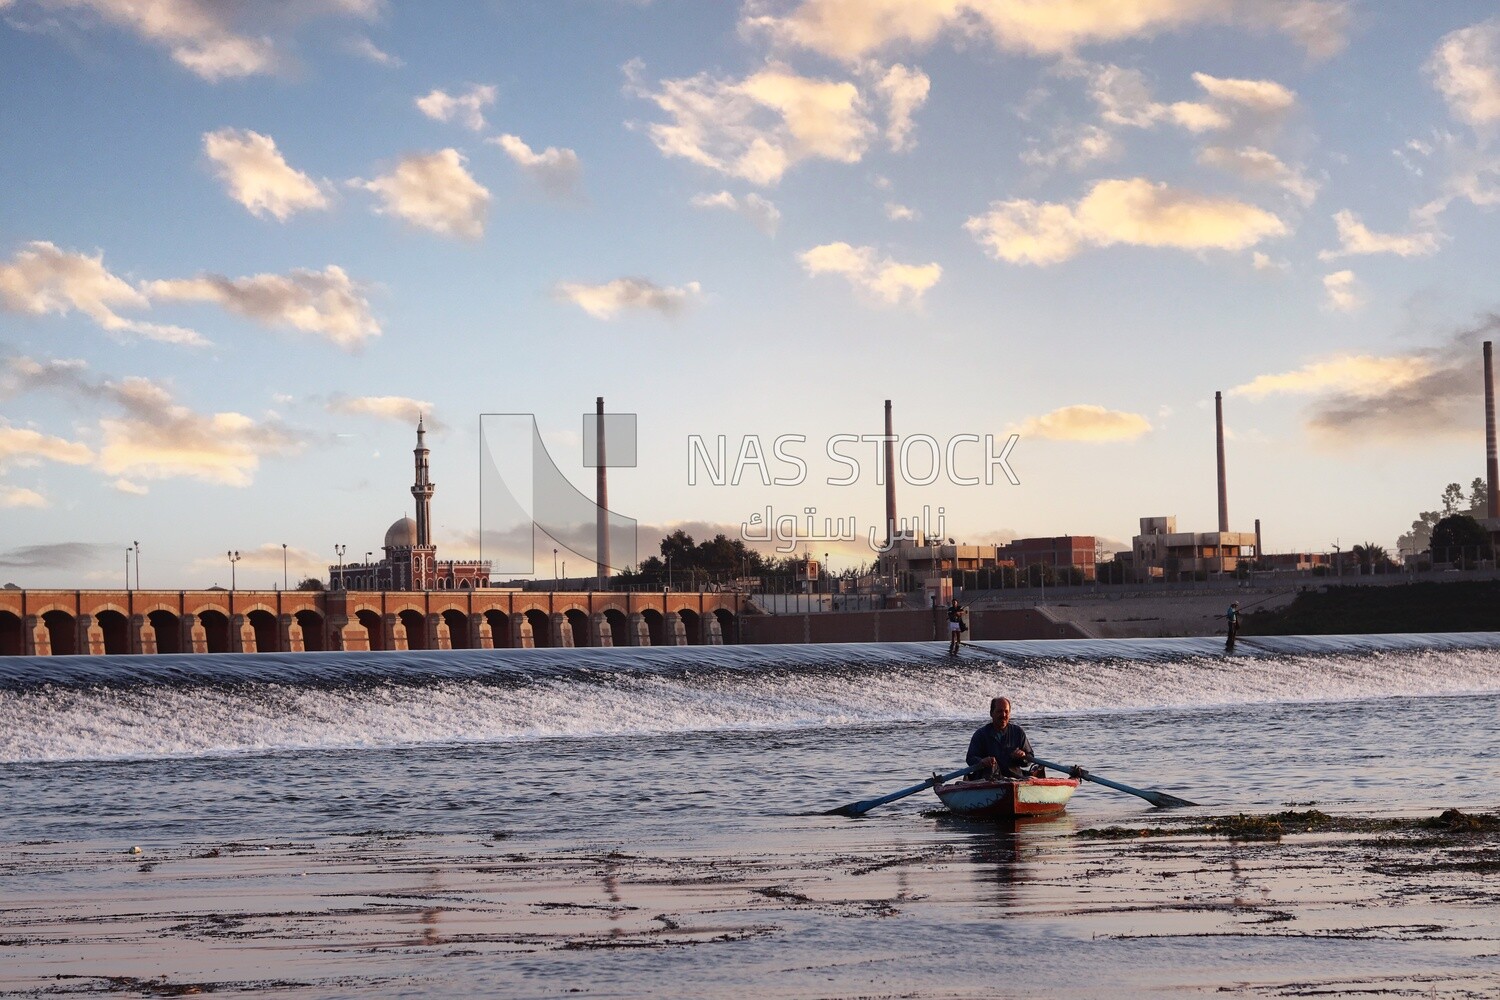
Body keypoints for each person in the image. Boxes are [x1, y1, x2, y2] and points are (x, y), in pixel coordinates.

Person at [966, 696, 1038, 780]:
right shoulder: (980, 734)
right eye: (999, 711)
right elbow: (970, 758)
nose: (1003, 715)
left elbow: (1030, 757)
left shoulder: (1018, 732)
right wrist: (982, 761)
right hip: (988, 780)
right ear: (991, 713)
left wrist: (1023, 756)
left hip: (1015, 778)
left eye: (1006, 712)